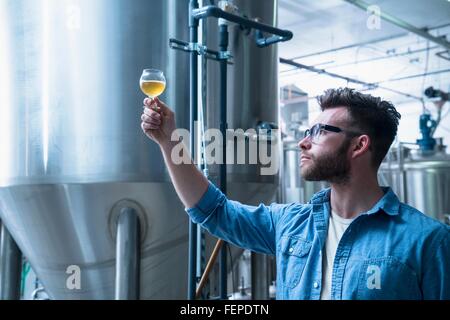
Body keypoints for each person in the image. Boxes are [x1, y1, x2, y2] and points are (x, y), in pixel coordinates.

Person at [140, 87, 449, 300]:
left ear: (359, 145)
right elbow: (214, 211)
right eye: (305, 133)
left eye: (319, 132)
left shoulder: (427, 240)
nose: (304, 142)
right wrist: (169, 142)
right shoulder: (291, 223)